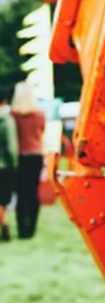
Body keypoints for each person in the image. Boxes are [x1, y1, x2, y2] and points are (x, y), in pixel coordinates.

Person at [11, 81, 45, 239]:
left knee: (21, 194)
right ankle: (31, 229)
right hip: (36, 155)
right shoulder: (39, 114)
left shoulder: (13, 115)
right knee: (33, 193)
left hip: (19, 156)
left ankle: (21, 229)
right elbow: (42, 131)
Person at [0, 87, 19, 241]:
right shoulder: (6, 119)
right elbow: (11, 146)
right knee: (2, 200)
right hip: (3, 166)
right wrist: (14, 165)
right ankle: (3, 223)